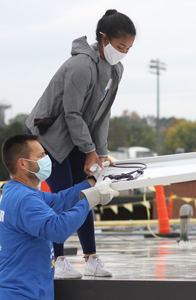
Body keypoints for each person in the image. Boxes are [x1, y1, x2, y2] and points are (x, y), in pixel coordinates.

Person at [26, 9, 136, 278]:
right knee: (62, 196)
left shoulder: (115, 69)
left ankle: (91, 258)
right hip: (49, 138)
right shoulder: (80, 66)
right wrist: (88, 150)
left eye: (129, 48)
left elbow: (103, 114)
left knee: (86, 195)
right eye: (121, 46)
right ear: (104, 38)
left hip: (77, 137)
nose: (124, 52)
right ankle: (58, 259)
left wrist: (100, 153)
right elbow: (72, 113)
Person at [0, 134, 119, 300]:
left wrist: (94, 181)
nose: (46, 159)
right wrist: (91, 199)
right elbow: (57, 230)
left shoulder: (16, 191)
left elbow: (59, 201)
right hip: (22, 295)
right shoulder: (24, 198)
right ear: (23, 164)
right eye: (40, 155)